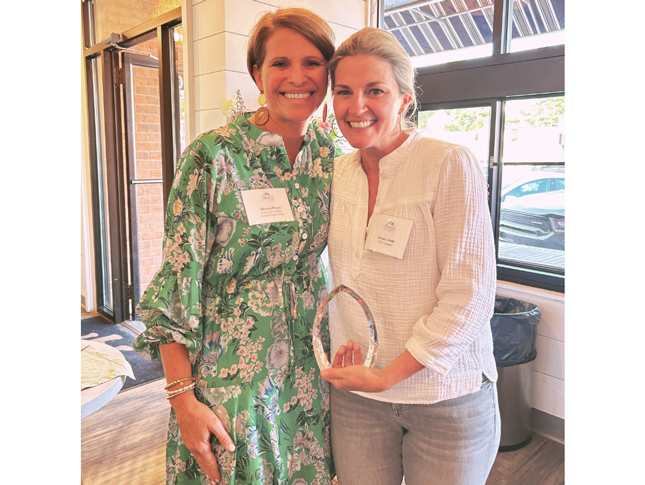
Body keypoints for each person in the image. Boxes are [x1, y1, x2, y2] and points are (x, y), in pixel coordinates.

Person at [133, 8, 337, 485]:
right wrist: (183, 397)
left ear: (328, 73)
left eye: (312, 63)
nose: (297, 77)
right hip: (231, 377)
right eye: (280, 63)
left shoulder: (330, 157)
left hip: (310, 372)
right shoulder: (213, 155)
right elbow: (177, 283)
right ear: (257, 73)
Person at [321, 27, 501, 485]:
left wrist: (388, 376)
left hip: (445, 397)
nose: (356, 107)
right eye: (343, 91)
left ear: (404, 98)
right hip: (358, 395)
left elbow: (470, 295)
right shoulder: (337, 172)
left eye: (374, 91)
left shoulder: (447, 163)